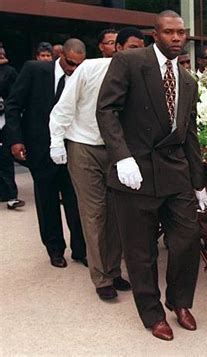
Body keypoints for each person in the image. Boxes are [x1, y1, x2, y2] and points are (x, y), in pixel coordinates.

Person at [96, 10, 207, 341]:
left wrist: (198, 182)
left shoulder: (188, 80)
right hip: (136, 173)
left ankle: (180, 302)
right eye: (169, 32)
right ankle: (152, 314)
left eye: (181, 32)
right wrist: (122, 157)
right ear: (155, 35)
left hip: (176, 173)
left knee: (188, 240)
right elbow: (107, 110)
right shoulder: (130, 62)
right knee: (141, 250)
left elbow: (189, 131)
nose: (176, 38)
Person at [49, 27, 144, 300]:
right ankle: (101, 277)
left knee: (116, 214)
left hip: (119, 153)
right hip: (84, 147)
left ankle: (114, 270)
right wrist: (57, 142)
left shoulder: (140, 78)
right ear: (117, 49)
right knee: (94, 214)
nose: (134, 53)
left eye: (140, 48)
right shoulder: (90, 69)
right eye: (129, 47)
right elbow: (64, 107)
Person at [5, 39, 87, 268]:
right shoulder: (35, 70)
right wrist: (16, 139)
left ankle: (81, 250)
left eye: (79, 65)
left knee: (76, 203)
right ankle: (55, 250)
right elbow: (13, 105)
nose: (73, 69)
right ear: (60, 55)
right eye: (70, 63)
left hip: (73, 150)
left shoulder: (83, 75)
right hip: (41, 148)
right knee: (47, 202)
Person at [0, 44, 24, 209]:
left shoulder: (9, 72)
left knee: (5, 157)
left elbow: (15, 98)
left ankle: (10, 195)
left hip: (3, 120)